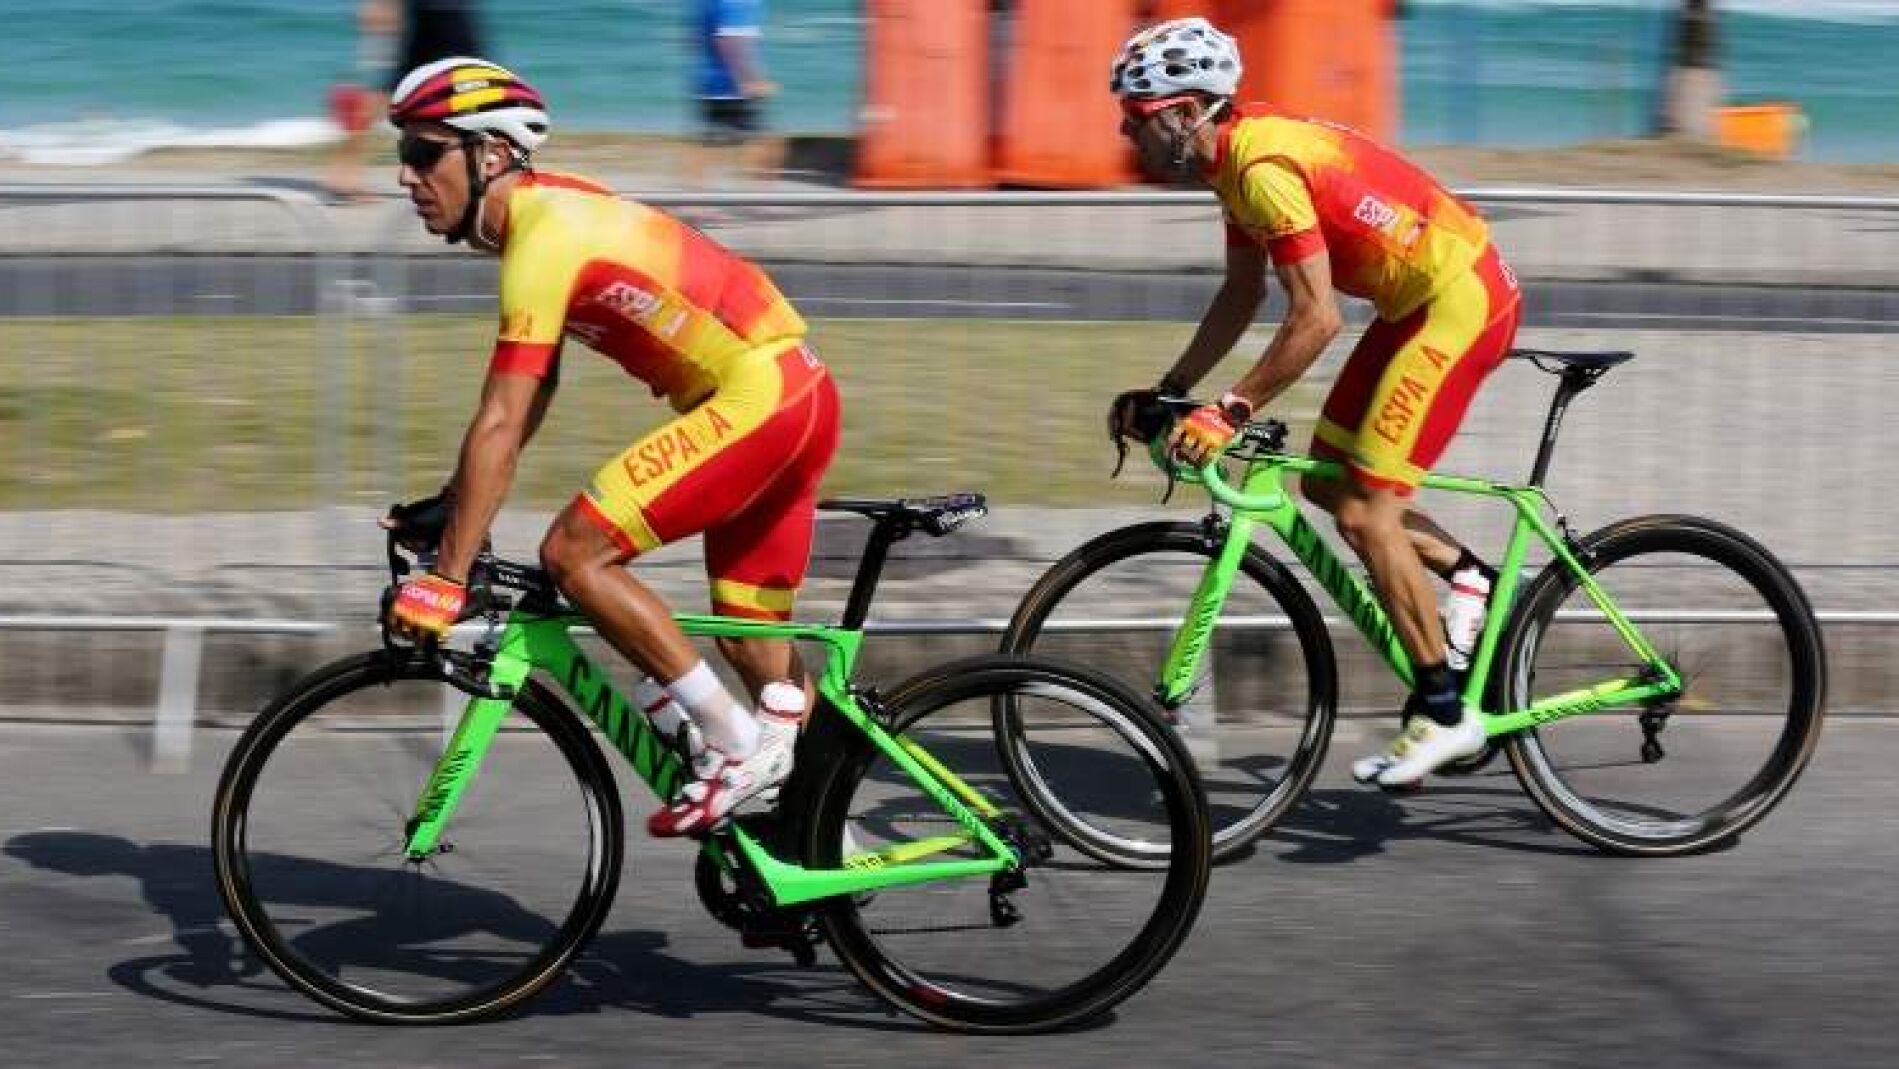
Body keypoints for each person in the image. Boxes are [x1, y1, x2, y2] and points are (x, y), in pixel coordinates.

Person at [379, 57, 842, 836]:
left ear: (489, 154)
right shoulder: (547, 221)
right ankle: (826, 855)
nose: (405, 177)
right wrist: (456, 509)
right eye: (404, 155)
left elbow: (500, 416)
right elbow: (529, 403)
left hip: (761, 399)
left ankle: (729, 744)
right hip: (793, 397)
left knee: (575, 552)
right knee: (749, 642)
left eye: (424, 153)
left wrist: (447, 579)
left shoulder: (544, 235)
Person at [1104, 18, 1522, 788]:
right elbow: (1240, 292)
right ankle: (1470, 580)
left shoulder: (1259, 167)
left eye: (1135, 119)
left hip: (1458, 301)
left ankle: (1444, 711)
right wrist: (1169, 391)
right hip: (1413, 305)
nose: (1126, 135)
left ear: (1182, 110)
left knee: (1367, 513)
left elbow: (1316, 318)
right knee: (1326, 483)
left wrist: (1226, 409)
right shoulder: (1228, 163)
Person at [687, 0, 783, 187]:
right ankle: (761, 196)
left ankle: (692, 196)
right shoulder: (740, 2)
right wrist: (751, 82)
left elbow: (695, 40)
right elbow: (731, 42)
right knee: (769, 141)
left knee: (707, 144)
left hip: (709, 82)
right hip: (733, 87)